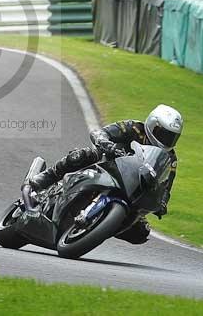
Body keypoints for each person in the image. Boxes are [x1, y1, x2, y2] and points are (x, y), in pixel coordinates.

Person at [30, 105, 183, 245]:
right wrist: (108, 145)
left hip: (133, 189)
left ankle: (100, 226)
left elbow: (166, 185)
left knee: (141, 233)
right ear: (152, 124)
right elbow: (100, 133)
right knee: (82, 155)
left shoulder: (170, 158)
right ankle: (47, 176)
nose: (166, 140)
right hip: (106, 165)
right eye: (163, 134)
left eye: (171, 137)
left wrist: (162, 203)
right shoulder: (134, 128)